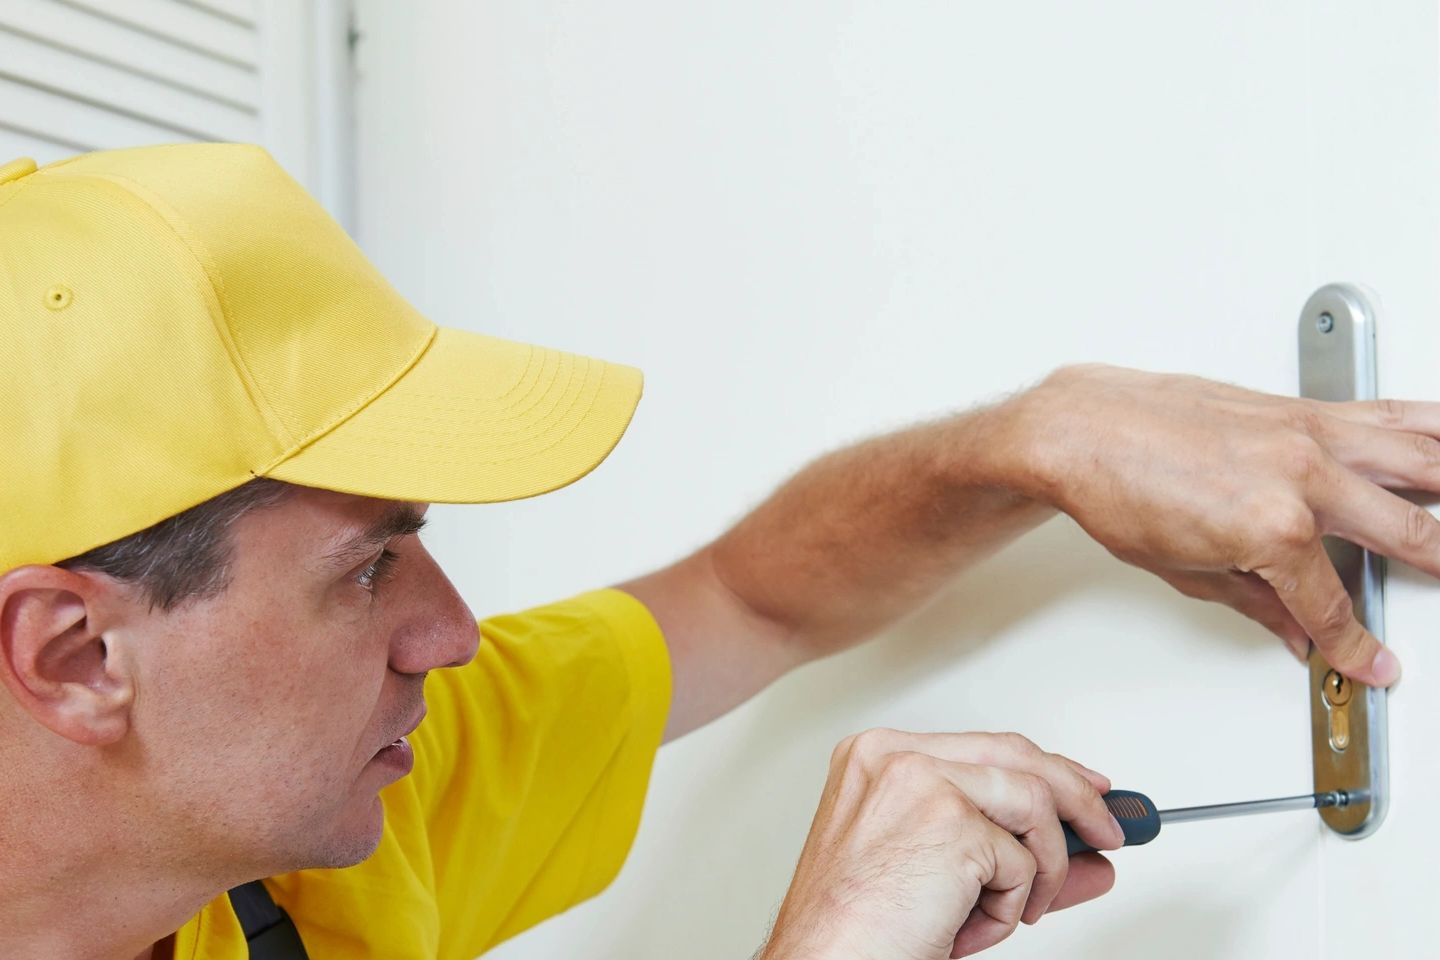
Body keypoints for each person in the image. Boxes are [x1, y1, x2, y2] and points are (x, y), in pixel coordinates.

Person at [0, 144, 1427, 960]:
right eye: (368, 568)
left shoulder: (315, 826)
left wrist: (1031, 443)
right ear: (76, 657)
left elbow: (750, 599)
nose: (454, 635)